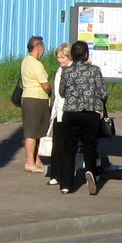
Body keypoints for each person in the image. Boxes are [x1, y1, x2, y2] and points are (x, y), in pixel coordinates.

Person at [58, 40, 108, 195]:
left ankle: (66, 184)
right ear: (87, 54)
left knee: (68, 148)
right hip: (90, 113)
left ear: (72, 55)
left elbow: (61, 92)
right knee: (90, 146)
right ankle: (91, 174)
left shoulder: (67, 71)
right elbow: (103, 93)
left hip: (71, 113)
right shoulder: (94, 70)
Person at [20, 36, 51, 174]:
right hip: (36, 99)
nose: (44, 50)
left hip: (28, 97)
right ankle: (30, 162)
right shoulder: (36, 64)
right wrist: (50, 92)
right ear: (38, 47)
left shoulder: (26, 61)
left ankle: (37, 160)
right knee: (32, 133)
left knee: (38, 131)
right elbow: (45, 85)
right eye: (43, 46)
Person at [46, 43, 73, 187]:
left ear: (69, 56)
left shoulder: (72, 70)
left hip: (69, 111)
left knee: (66, 145)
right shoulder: (59, 71)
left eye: (62, 57)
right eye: (58, 57)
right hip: (58, 112)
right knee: (57, 144)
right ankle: (55, 174)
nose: (60, 60)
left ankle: (65, 174)